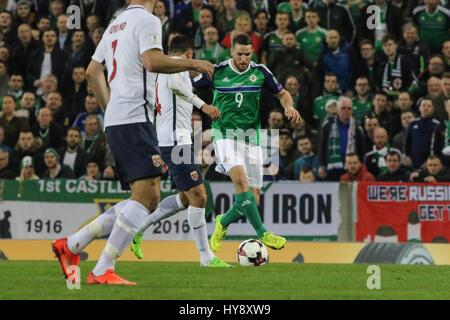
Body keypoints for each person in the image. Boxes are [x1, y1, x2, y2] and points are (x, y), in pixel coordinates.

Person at [52, 0, 215, 286]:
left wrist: (110, 111)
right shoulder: (148, 20)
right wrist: (193, 63)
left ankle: (73, 245)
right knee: (149, 196)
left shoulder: (115, 24)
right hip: (135, 116)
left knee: (142, 196)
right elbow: (152, 61)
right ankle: (103, 267)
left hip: (119, 117)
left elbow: (93, 71)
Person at [194, 33, 302, 252]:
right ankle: (263, 233)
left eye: (247, 54)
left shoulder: (260, 72)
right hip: (224, 135)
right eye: (239, 54)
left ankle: (222, 222)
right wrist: (202, 107)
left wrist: (288, 106)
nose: (243, 59)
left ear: (252, 52)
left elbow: (283, 94)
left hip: (252, 138)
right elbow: (188, 88)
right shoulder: (216, 72)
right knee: (241, 182)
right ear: (231, 52)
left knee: (252, 198)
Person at [129, 36, 227, 267]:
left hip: (175, 139)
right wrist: (203, 105)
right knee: (199, 197)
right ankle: (206, 257)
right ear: (190, 55)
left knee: (185, 198)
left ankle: (138, 229)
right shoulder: (175, 67)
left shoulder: (166, 68)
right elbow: (175, 86)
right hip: (175, 141)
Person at [318, 96, 366, 181]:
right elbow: (322, 146)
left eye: (349, 108)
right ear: (338, 110)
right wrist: (322, 165)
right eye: (343, 108)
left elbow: (362, 148)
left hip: (352, 169)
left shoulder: (357, 126)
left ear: (352, 111)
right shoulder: (328, 125)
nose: (346, 110)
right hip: (332, 168)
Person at [405, 98, 440, 169]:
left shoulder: (437, 125)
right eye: (424, 105)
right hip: (413, 162)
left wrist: (430, 161)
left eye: (429, 106)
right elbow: (407, 143)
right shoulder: (412, 123)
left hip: (430, 165)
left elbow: (438, 146)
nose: (426, 108)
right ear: (419, 108)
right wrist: (407, 156)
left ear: (433, 109)